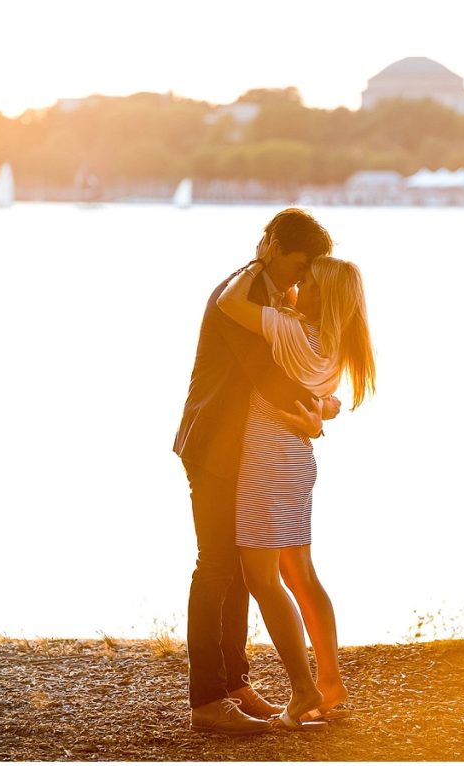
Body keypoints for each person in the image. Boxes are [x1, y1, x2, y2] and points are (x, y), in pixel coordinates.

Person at [173, 208, 335, 734]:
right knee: (216, 566)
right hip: (215, 445)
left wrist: (315, 404)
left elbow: (284, 365)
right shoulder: (238, 295)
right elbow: (263, 372)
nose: (301, 275)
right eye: (298, 262)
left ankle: (235, 682)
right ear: (271, 244)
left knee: (241, 569)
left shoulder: (269, 294)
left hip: (245, 450)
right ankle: (206, 700)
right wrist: (310, 412)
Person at [216, 249, 374, 728]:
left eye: (307, 280)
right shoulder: (334, 344)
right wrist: (322, 411)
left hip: (265, 464)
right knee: (301, 575)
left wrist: (258, 264)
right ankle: (331, 683)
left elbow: (228, 302)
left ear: (321, 293)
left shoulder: (292, 330)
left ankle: (304, 691)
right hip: (297, 463)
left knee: (263, 580)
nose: (298, 286)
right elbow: (325, 401)